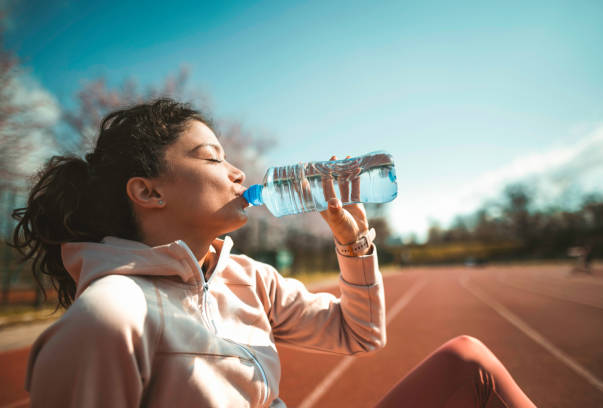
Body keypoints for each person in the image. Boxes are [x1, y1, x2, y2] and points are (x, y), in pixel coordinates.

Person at [12, 99, 535, 407]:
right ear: (149, 192)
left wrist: (351, 242)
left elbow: (361, 334)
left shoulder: (244, 276)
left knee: (468, 362)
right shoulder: (111, 316)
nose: (237, 172)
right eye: (211, 158)